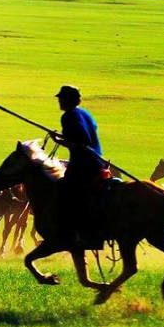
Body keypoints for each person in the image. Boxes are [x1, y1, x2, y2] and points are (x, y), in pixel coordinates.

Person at [50, 85, 105, 249]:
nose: (59, 101)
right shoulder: (84, 113)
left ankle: (74, 235)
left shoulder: (69, 116)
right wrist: (63, 138)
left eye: (62, 98)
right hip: (97, 162)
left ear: (69, 100)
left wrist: (60, 141)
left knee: (65, 195)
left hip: (83, 165)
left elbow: (82, 141)